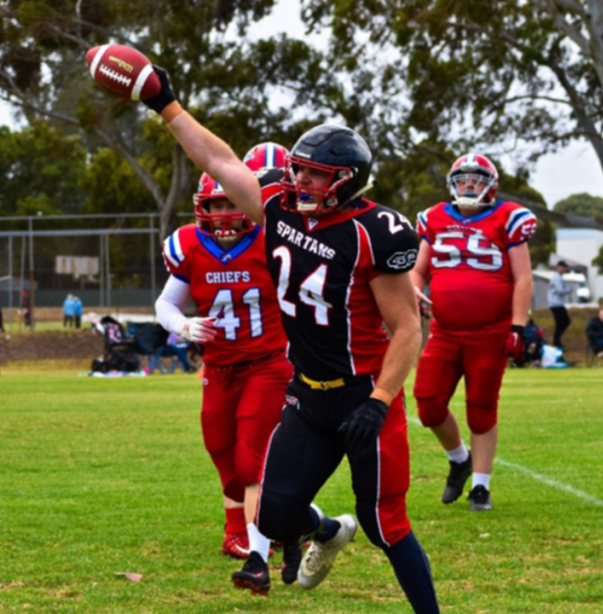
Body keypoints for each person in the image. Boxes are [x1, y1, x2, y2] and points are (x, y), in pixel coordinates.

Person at [140, 68, 438, 611]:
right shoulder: (277, 207)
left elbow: (407, 328)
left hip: (362, 395)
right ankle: (324, 530)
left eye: (315, 176)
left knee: (385, 524)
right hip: (305, 395)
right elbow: (219, 160)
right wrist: (167, 105)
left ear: (345, 180)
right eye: (298, 171)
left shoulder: (375, 233)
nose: (301, 183)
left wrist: (380, 401)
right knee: (273, 516)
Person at [155, 150, 294, 591]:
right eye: (216, 204)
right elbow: (165, 304)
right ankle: (236, 529)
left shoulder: (273, 241)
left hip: (267, 362)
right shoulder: (188, 245)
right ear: (203, 206)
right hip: (219, 366)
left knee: (250, 452)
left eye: (232, 202)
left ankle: (258, 545)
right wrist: (183, 325)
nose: (225, 213)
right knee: (219, 444)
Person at [412, 153, 536, 512]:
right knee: (428, 404)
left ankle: (480, 486)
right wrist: (413, 288)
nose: (468, 185)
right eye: (463, 179)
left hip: (490, 331)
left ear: (491, 186)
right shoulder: (434, 218)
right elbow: (419, 269)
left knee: (481, 409)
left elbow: (523, 277)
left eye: (476, 179)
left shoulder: (507, 218)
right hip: (445, 331)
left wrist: (518, 326)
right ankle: (458, 458)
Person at [548, 260, 573, 347]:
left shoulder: (558, 277)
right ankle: (556, 340)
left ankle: (556, 340)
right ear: (559, 268)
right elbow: (560, 290)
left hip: (557, 304)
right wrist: (568, 290)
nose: (564, 270)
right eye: (563, 268)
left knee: (562, 323)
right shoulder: (557, 277)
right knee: (564, 322)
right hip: (556, 304)